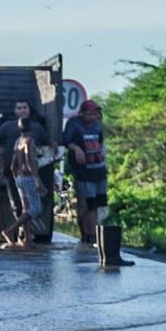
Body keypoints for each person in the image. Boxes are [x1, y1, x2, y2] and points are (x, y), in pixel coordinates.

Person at [0, 98, 54, 226]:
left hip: (28, 174)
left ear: (29, 110)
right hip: (14, 173)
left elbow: (48, 140)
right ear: (15, 111)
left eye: (25, 107)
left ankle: (25, 234)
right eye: (19, 108)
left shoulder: (37, 127)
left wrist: (54, 144)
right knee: (18, 204)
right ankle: (19, 232)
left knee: (31, 206)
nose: (22, 110)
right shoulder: (8, 126)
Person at [63, 99, 108, 245]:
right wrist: (76, 148)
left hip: (98, 169)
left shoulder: (98, 125)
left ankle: (93, 234)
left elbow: (101, 142)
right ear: (82, 113)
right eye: (89, 114)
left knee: (96, 204)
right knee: (85, 204)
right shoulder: (74, 124)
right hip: (83, 170)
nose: (93, 117)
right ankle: (85, 233)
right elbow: (66, 141)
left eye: (95, 114)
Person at [1, 118, 44, 247]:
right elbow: (30, 160)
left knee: (26, 209)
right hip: (29, 177)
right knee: (36, 209)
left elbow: (13, 164)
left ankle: (27, 239)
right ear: (32, 129)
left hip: (19, 178)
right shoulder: (29, 141)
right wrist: (37, 179)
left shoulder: (18, 141)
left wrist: (16, 177)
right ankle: (10, 229)